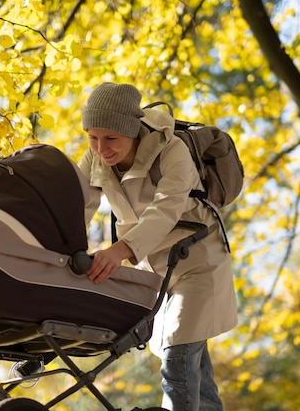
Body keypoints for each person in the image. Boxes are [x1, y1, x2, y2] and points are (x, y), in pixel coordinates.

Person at [77, 82, 238, 411]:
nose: (100, 148)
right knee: (194, 367)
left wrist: (120, 250)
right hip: (156, 272)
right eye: (93, 137)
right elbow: (77, 205)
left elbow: (167, 208)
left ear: (132, 130)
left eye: (111, 138)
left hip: (198, 260)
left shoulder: (172, 150)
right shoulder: (95, 156)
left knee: (177, 359)